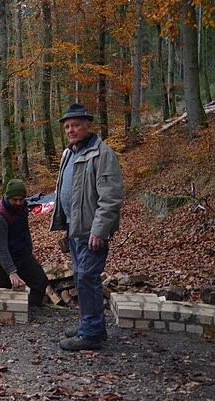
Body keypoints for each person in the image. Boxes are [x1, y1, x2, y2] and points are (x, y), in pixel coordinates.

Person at [51, 103, 124, 351]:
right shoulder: (68, 154)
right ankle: (90, 325)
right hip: (75, 228)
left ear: (87, 125)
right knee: (83, 279)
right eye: (68, 126)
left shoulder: (102, 154)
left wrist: (99, 230)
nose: (71, 130)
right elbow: (67, 192)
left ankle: (90, 334)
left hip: (91, 231)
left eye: (76, 125)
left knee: (87, 279)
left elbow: (111, 198)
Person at [0, 179, 47, 307]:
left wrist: (29, 251)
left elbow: (25, 231)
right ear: (7, 197)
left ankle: (28, 309)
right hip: (2, 261)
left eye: (21, 199)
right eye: (15, 200)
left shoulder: (23, 207)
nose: (18, 202)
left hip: (22, 255)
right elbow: (0, 248)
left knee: (40, 282)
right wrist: (11, 272)